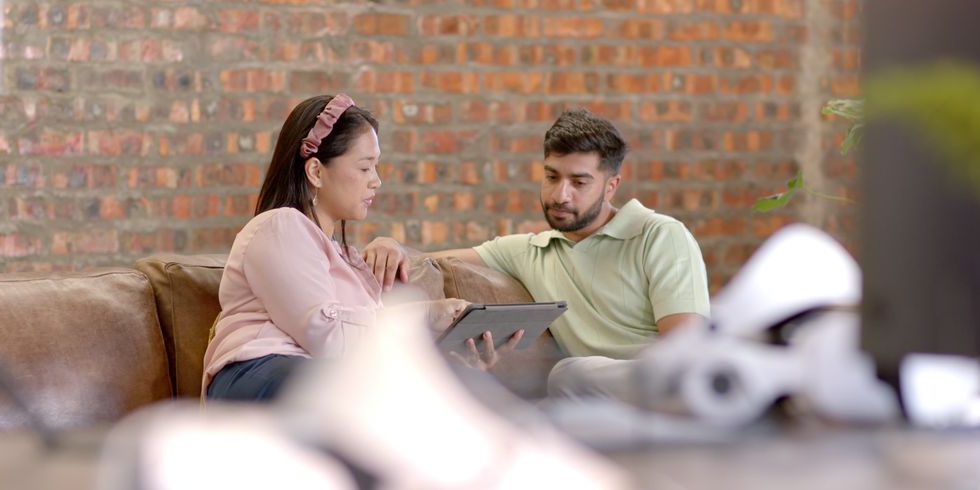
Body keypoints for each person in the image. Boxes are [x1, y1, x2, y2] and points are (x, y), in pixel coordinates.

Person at [362, 109, 710, 402]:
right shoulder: (531, 250)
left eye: (579, 182)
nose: (561, 195)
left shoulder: (660, 235)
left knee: (570, 374)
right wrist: (390, 244)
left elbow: (685, 349)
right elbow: (429, 259)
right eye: (551, 176)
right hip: (595, 401)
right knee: (562, 382)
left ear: (611, 185)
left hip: (670, 384)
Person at [203, 94, 521, 401]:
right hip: (262, 372)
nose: (376, 181)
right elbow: (325, 334)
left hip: (322, 377)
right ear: (315, 171)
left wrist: (456, 361)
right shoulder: (279, 225)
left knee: (450, 391)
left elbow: (368, 345)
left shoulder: (345, 260)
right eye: (365, 167)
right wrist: (423, 316)